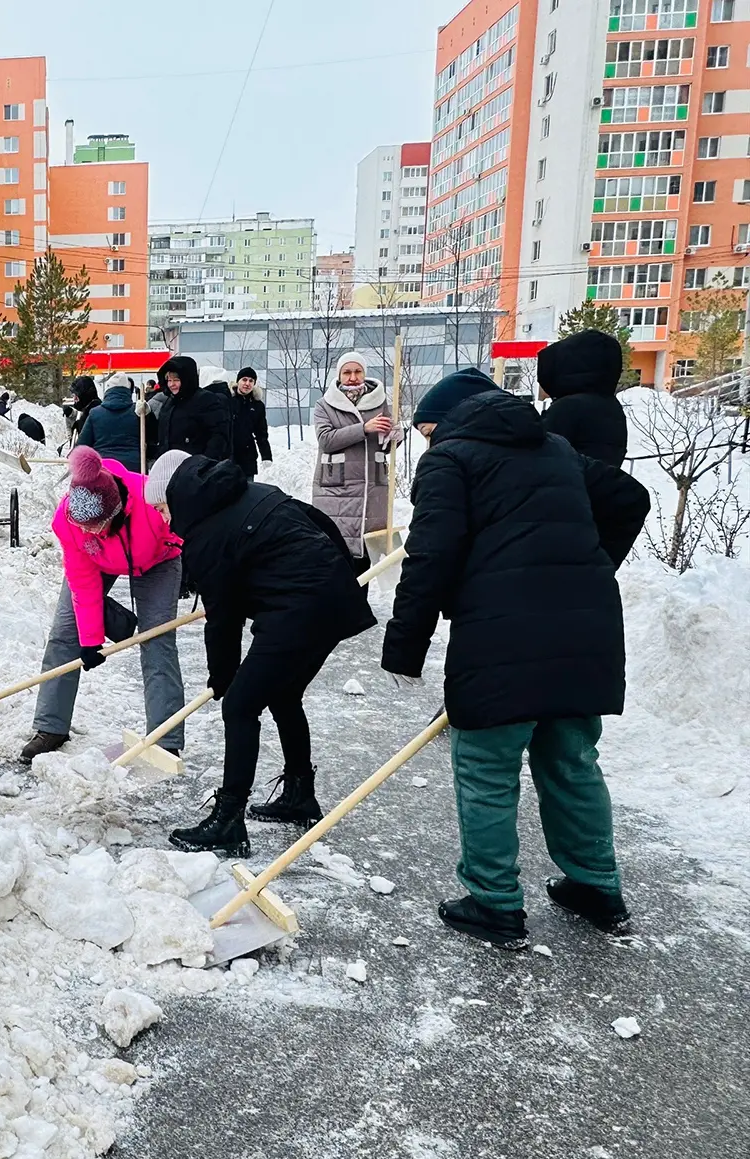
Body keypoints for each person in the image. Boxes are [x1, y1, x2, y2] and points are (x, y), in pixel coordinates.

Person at [381, 368, 651, 948]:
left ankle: (495, 903)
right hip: (583, 627)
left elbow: (431, 555)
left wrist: (406, 644)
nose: (427, 440)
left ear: (450, 418)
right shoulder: (556, 448)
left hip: (500, 632)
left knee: (486, 768)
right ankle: (596, 886)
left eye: (428, 428)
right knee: (571, 759)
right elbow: (631, 497)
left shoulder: (451, 460)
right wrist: (590, 565)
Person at [144, 450, 375, 856]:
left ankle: (229, 820)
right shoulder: (248, 491)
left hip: (299, 609)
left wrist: (223, 680)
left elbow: (223, 618)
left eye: (162, 508)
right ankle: (300, 794)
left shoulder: (206, 534)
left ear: (177, 496)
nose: (164, 519)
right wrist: (346, 578)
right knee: (283, 694)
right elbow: (318, 522)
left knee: (239, 706)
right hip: (332, 599)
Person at [20, 446, 186, 763]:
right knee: (64, 634)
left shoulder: (152, 501)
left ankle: (166, 738)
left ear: (116, 512)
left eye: (93, 527)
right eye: (80, 527)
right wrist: (90, 640)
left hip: (157, 562)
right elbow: (83, 584)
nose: (85, 532)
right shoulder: (71, 523)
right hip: (98, 563)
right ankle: (51, 727)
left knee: (157, 640)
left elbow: (189, 531)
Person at [312, 350, 402, 578]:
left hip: (372, 490)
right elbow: (326, 440)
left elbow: (384, 447)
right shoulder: (325, 405)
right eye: (347, 372)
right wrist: (363, 428)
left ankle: (358, 608)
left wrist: (394, 437)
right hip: (336, 489)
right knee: (337, 552)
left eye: (357, 371)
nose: (353, 377)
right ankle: (339, 609)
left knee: (364, 552)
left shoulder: (380, 403)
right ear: (339, 376)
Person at [537, 329, 629, 467]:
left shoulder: (568, 408)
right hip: (597, 486)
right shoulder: (608, 405)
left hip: (566, 485)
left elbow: (537, 454)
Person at [153, 356, 246, 465]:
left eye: (176, 380)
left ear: (187, 379)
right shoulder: (170, 403)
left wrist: (203, 465)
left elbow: (219, 437)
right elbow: (162, 435)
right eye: (169, 380)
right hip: (171, 468)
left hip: (196, 471)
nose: (171, 384)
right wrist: (147, 415)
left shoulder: (206, 400)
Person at [77, 372, 154, 472]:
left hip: (102, 469)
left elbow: (82, 445)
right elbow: (153, 436)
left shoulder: (95, 413)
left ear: (108, 390)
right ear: (128, 391)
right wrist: (149, 415)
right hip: (133, 469)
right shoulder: (139, 412)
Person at [234, 367, 273, 476]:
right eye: (244, 379)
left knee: (248, 491)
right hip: (228, 456)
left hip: (247, 457)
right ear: (238, 381)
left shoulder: (257, 406)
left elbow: (261, 433)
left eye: (251, 381)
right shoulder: (227, 400)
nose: (247, 383)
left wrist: (266, 456)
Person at [64, 376, 101, 447]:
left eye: (76, 396)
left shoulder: (94, 413)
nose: (74, 399)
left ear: (84, 395)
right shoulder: (89, 409)